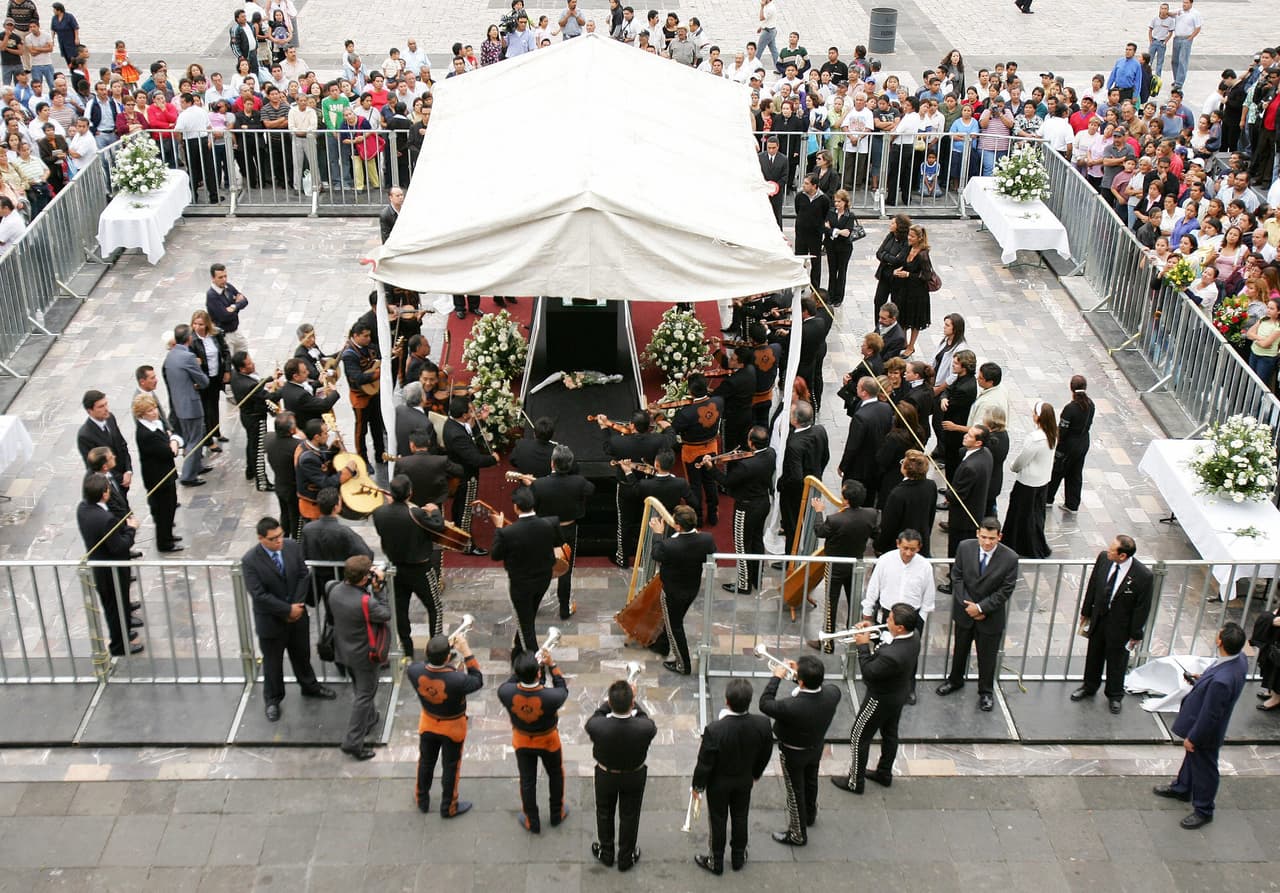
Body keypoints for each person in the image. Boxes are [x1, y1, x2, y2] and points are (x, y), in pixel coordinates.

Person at [240, 516, 336, 722]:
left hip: (297, 615)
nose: (279, 541)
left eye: (280, 535)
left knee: (302, 654)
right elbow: (259, 595)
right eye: (273, 539)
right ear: (261, 538)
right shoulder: (250, 561)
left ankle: (310, 686)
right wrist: (286, 610)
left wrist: (297, 606)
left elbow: (303, 575)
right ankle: (273, 699)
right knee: (272, 662)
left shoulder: (292, 546)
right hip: (272, 621)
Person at [1153, 622, 1247, 828]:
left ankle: (1204, 810)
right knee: (1193, 759)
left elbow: (1210, 714)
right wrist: (1201, 680)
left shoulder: (1221, 682)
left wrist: (1193, 737)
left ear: (1220, 642)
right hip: (1206, 722)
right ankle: (1182, 788)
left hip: (1205, 732)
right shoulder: (1239, 660)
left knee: (1205, 767)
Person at [831, 603, 922, 792]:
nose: (886, 621)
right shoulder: (913, 636)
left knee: (858, 736)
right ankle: (884, 773)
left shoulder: (893, 655)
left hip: (879, 698)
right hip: (898, 693)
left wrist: (863, 646)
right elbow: (888, 642)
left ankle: (855, 781)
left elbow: (869, 672)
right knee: (890, 733)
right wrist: (875, 634)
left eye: (890, 620)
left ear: (900, 627)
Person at [690, 678, 774, 875]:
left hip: (718, 784)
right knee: (740, 816)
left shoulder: (715, 730)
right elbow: (766, 752)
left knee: (718, 820)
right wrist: (756, 773)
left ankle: (715, 860)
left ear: (727, 701)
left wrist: (698, 786)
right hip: (744, 780)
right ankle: (738, 856)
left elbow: (705, 763)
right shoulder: (762, 724)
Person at [935, 517, 1018, 712]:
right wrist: (968, 606)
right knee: (960, 649)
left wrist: (981, 608)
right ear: (977, 534)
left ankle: (986, 692)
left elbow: (1005, 590)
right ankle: (955, 680)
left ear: (999, 537)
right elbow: (957, 576)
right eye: (983, 537)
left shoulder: (1010, 558)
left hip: (990, 616)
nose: (987, 542)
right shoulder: (965, 547)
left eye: (992, 538)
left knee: (987, 656)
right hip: (965, 611)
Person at [759, 653, 840, 845]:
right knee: (811, 781)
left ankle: (797, 833)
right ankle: (810, 814)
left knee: (795, 791)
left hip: (793, 751)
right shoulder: (833, 693)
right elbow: (815, 688)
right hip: (815, 746)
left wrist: (777, 677)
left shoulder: (790, 706)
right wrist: (800, 675)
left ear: (801, 682)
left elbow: (765, 703)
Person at [1072, 535, 1154, 714]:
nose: (1108, 551)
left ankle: (1115, 695)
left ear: (1122, 556)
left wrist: (1135, 633)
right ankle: (1089, 686)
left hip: (1121, 625)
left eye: (1112, 549)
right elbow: (1093, 585)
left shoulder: (1143, 576)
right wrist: (1086, 612)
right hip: (1099, 617)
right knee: (1094, 653)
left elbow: (1142, 607)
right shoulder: (1104, 559)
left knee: (1117, 660)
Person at [406, 632, 483, 817]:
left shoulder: (413, 671)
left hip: (428, 722)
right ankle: (449, 806)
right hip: (453, 727)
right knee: (451, 767)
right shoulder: (457, 680)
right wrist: (466, 651)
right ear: (448, 657)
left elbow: (426, 664)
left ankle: (421, 799)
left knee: (425, 762)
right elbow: (477, 680)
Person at [585, 675, 657, 872]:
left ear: (610, 702)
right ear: (632, 703)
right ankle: (626, 857)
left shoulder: (597, 726)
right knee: (630, 815)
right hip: (634, 776)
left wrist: (608, 703)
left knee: (604, 812)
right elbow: (644, 718)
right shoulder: (645, 727)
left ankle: (606, 852)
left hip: (606, 776)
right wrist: (635, 701)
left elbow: (597, 715)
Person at [373, 474, 446, 659]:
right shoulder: (416, 513)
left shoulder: (379, 513)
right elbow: (437, 527)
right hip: (420, 568)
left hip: (396, 568)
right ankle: (437, 650)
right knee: (435, 607)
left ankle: (407, 650)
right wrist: (435, 511)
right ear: (410, 493)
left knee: (401, 610)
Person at [499, 649, 571, 832]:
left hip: (522, 740)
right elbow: (562, 687)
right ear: (539, 673)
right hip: (548, 741)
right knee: (555, 775)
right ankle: (557, 813)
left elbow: (510, 682)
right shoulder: (552, 697)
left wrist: (522, 671)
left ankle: (532, 820)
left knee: (527, 781)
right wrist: (552, 665)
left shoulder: (505, 692)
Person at [327, 556, 389, 760]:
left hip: (344, 650)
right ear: (364, 579)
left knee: (359, 687)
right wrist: (379, 590)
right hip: (364, 655)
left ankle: (369, 719)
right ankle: (353, 741)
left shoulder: (333, 590)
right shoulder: (365, 602)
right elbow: (385, 613)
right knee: (364, 695)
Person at [76, 473, 143, 656]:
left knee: (113, 607)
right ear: (104, 494)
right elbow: (120, 546)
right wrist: (131, 529)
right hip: (111, 570)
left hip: (100, 567)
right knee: (117, 607)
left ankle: (122, 634)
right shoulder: (105, 519)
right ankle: (119, 645)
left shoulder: (82, 509)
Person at [491, 486, 563, 656]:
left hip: (520, 584)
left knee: (526, 624)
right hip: (543, 578)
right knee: (527, 616)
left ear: (516, 507)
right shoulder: (550, 523)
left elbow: (495, 555)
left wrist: (499, 528)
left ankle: (534, 662)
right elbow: (559, 541)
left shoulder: (507, 533)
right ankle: (518, 648)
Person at [702, 426, 773, 594]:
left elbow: (726, 482)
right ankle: (756, 577)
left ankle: (743, 584)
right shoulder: (771, 454)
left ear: (751, 443)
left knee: (742, 544)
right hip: (763, 502)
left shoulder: (746, 466)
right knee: (756, 541)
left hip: (746, 506)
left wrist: (711, 468)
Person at [807, 479, 876, 652]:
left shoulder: (834, 519)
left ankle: (828, 643)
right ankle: (853, 639)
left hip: (835, 565)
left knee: (831, 603)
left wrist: (819, 511)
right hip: (855, 564)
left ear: (845, 500)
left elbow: (819, 531)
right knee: (854, 602)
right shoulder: (871, 514)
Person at [529, 445, 595, 619]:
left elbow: (531, 504)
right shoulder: (579, 482)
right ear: (571, 464)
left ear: (552, 463)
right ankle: (564, 609)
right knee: (565, 570)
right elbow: (591, 489)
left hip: (544, 529)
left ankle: (533, 606)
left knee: (541, 568)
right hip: (568, 530)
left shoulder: (539, 484)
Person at [649, 505, 715, 674]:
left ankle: (683, 664)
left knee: (674, 626)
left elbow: (656, 554)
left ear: (677, 526)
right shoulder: (706, 539)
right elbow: (712, 552)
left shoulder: (669, 545)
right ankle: (662, 646)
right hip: (692, 588)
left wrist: (657, 533)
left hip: (672, 592)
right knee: (674, 619)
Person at [1001, 401, 1057, 558]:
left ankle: (1018, 544)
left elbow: (1022, 459)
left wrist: (1013, 466)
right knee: (1036, 514)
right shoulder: (1053, 434)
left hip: (1028, 482)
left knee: (1021, 515)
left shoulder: (1035, 438)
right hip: (1043, 480)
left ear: (1038, 417)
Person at [444, 396, 498, 554]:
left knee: (460, 507)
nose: (474, 411)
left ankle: (457, 535)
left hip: (460, 472)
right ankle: (466, 546)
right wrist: (492, 459)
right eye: (470, 410)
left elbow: (472, 434)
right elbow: (475, 459)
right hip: (466, 476)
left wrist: (477, 422)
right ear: (464, 415)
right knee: (465, 509)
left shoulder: (453, 424)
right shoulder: (458, 435)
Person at [940, 424, 992, 585]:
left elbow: (957, 495)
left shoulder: (971, 467)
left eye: (969, 436)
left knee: (957, 550)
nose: (965, 436)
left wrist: (948, 494)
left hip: (964, 518)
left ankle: (955, 582)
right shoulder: (986, 454)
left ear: (978, 443)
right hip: (976, 509)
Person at [131, 394, 182, 553]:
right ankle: (164, 542)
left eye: (154, 408)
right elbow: (168, 451)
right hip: (158, 478)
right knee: (163, 511)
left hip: (165, 474)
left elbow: (170, 438)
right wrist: (173, 441)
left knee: (171, 505)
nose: (154, 412)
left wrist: (172, 440)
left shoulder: (155, 425)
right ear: (141, 414)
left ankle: (168, 535)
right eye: (149, 411)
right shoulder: (145, 433)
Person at [669, 374, 723, 527]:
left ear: (690, 391)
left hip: (692, 453)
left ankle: (697, 517)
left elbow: (673, 430)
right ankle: (713, 514)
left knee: (694, 485)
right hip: (712, 448)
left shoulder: (685, 413)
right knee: (710, 481)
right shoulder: (718, 402)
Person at [162, 324, 212, 487]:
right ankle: (189, 475)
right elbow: (203, 381)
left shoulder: (171, 356)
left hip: (179, 404)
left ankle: (196, 466)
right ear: (189, 338)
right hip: (191, 405)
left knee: (192, 437)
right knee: (194, 440)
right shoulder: (188, 357)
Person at [778, 400, 828, 552]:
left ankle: (790, 558)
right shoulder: (820, 430)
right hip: (814, 482)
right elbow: (825, 456)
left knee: (792, 524)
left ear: (795, 420)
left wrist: (782, 484)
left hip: (795, 492)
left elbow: (795, 476)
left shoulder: (794, 444)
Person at [229, 351, 280, 491]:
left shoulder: (235, 375)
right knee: (258, 450)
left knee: (251, 444)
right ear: (242, 368)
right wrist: (285, 388)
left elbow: (256, 383)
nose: (253, 364)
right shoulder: (249, 386)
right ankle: (262, 482)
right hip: (256, 418)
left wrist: (270, 378)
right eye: (249, 364)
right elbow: (269, 396)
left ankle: (250, 470)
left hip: (246, 416)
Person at [1045, 375, 1095, 513]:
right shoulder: (1091, 404)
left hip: (1069, 445)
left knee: (1057, 470)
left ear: (1071, 388)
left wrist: (1058, 443)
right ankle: (1072, 504)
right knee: (1075, 473)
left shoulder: (1070, 408)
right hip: (1083, 442)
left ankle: (1048, 498)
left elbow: (1062, 429)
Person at [76, 390, 134, 496]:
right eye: (101, 406)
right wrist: (121, 478)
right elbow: (95, 467)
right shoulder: (85, 436)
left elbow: (122, 445)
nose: (106, 409)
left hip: (124, 476)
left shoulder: (110, 418)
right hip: (110, 485)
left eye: (106, 404)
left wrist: (128, 470)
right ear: (90, 411)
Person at [890, 225, 933, 357]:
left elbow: (927, 276)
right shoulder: (908, 248)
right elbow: (900, 261)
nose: (909, 238)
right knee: (902, 317)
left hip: (917, 293)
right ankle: (903, 341)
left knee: (915, 320)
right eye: (909, 235)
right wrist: (896, 271)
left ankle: (911, 346)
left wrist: (909, 275)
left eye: (912, 236)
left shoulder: (923, 255)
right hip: (904, 290)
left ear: (919, 238)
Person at [824, 189, 857, 306]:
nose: (836, 204)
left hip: (844, 248)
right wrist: (837, 231)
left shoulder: (850, 215)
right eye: (835, 201)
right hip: (831, 246)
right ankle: (830, 296)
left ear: (845, 202)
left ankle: (838, 298)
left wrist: (833, 230)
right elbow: (825, 227)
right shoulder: (831, 212)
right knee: (832, 271)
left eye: (839, 202)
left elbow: (847, 232)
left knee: (841, 272)